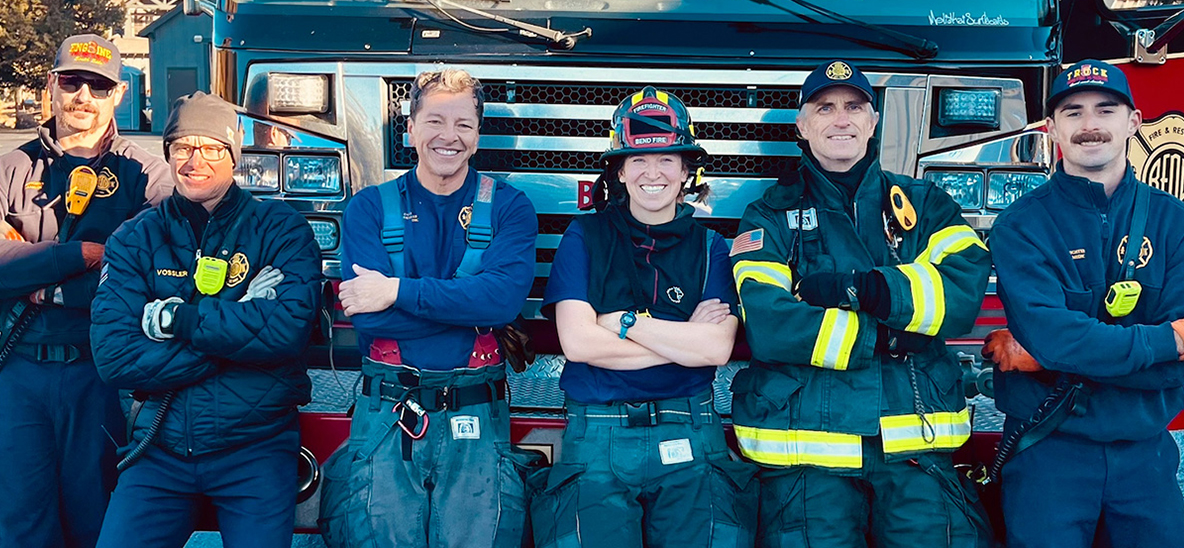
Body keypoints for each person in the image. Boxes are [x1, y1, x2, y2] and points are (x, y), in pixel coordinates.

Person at [731, 59, 994, 547]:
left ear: (873, 122)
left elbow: (961, 294)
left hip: (916, 445)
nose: (841, 119)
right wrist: (891, 328)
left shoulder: (927, 204)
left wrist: (860, 289)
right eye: (825, 108)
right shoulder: (767, 214)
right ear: (802, 125)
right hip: (807, 455)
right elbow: (769, 322)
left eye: (854, 106)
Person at [89, 92, 322, 548]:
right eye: (182, 147)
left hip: (255, 449)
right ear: (168, 154)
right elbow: (115, 358)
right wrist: (238, 325)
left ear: (233, 155)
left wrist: (177, 320)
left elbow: (286, 333)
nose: (195, 160)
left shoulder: (281, 228)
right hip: (159, 450)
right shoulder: (135, 238)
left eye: (212, 147)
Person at [986, 59, 1184, 548]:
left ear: (1133, 122)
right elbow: (1055, 338)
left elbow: (1177, 371)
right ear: (1050, 128)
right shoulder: (1021, 228)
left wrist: (1051, 357)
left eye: (1106, 110)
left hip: (1145, 457)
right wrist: (1173, 338)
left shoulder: (1179, 225)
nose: (1090, 126)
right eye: (1073, 112)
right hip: (1048, 454)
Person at [533, 87, 758, 547]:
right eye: (637, 160)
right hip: (596, 433)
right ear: (618, 170)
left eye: (667, 160)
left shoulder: (713, 248)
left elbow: (715, 348)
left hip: (691, 433)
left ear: (687, 171)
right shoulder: (585, 236)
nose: (651, 173)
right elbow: (578, 345)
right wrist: (683, 342)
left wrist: (623, 322)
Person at [327, 68, 540, 548]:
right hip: (387, 410)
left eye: (464, 124)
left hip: (478, 414)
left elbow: (503, 301)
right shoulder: (369, 208)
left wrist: (396, 292)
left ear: (478, 135)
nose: (450, 136)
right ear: (409, 130)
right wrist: (469, 309)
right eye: (435, 121)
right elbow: (369, 316)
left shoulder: (510, 207)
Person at [0, 34, 172, 548]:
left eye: (97, 86)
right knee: (19, 522)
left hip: (99, 376)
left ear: (117, 94)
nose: (82, 96)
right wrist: (84, 255)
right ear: (52, 84)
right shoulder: (9, 168)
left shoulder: (147, 174)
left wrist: (35, 275)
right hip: (17, 373)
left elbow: (148, 269)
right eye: (71, 81)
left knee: (97, 520)